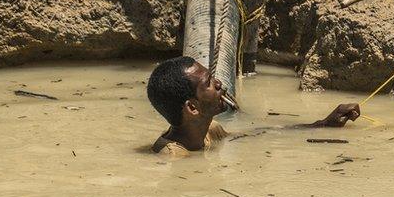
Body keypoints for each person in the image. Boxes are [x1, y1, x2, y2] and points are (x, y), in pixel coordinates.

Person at [145, 56, 360, 157]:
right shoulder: (172, 155)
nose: (219, 84)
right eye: (209, 83)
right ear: (192, 108)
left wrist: (323, 124)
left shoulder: (210, 130)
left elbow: (259, 134)